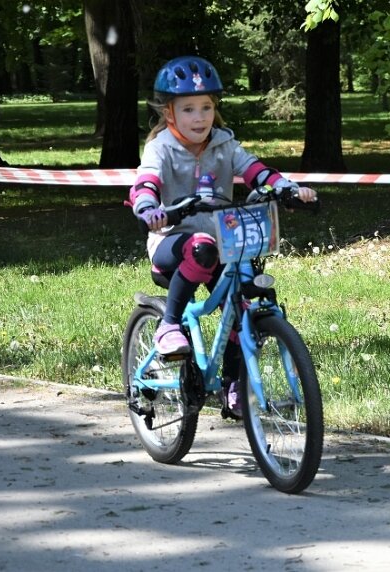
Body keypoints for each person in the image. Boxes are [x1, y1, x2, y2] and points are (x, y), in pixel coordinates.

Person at [127, 55, 317, 418]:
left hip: (222, 242)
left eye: (206, 108)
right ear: (169, 114)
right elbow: (146, 182)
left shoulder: (225, 144)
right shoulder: (160, 148)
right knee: (201, 249)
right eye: (188, 109)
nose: (199, 117)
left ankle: (233, 386)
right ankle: (168, 326)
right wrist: (149, 208)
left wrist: (289, 188)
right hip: (172, 240)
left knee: (243, 300)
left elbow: (256, 169)